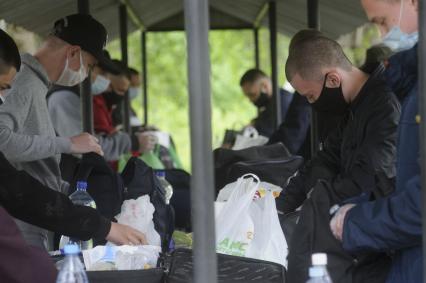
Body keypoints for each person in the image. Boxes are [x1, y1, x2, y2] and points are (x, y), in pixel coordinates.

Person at [330, 0, 421, 282]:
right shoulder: (411, 82)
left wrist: (356, 222)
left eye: (382, 21)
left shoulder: (391, 97)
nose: (382, 35)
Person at [278, 29, 400, 215]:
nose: (312, 103)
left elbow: (372, 176)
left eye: (310, 96)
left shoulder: (384, 105)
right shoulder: (354, 105)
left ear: (333, 79)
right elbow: (327, 156)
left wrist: (318, 198)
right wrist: (280, 205)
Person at [48, 51, 150, 165]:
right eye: (102, 72)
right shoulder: (63, 99)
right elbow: (86, 148)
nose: (105, 79)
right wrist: (130, 143)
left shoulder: (78, 96)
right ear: (85, 66)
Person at [240, 69, 296, 137]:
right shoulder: (271, 103)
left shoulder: (280, 104)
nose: (250, 100)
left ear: (265, 86)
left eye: (252, 95)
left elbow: (265, 135)